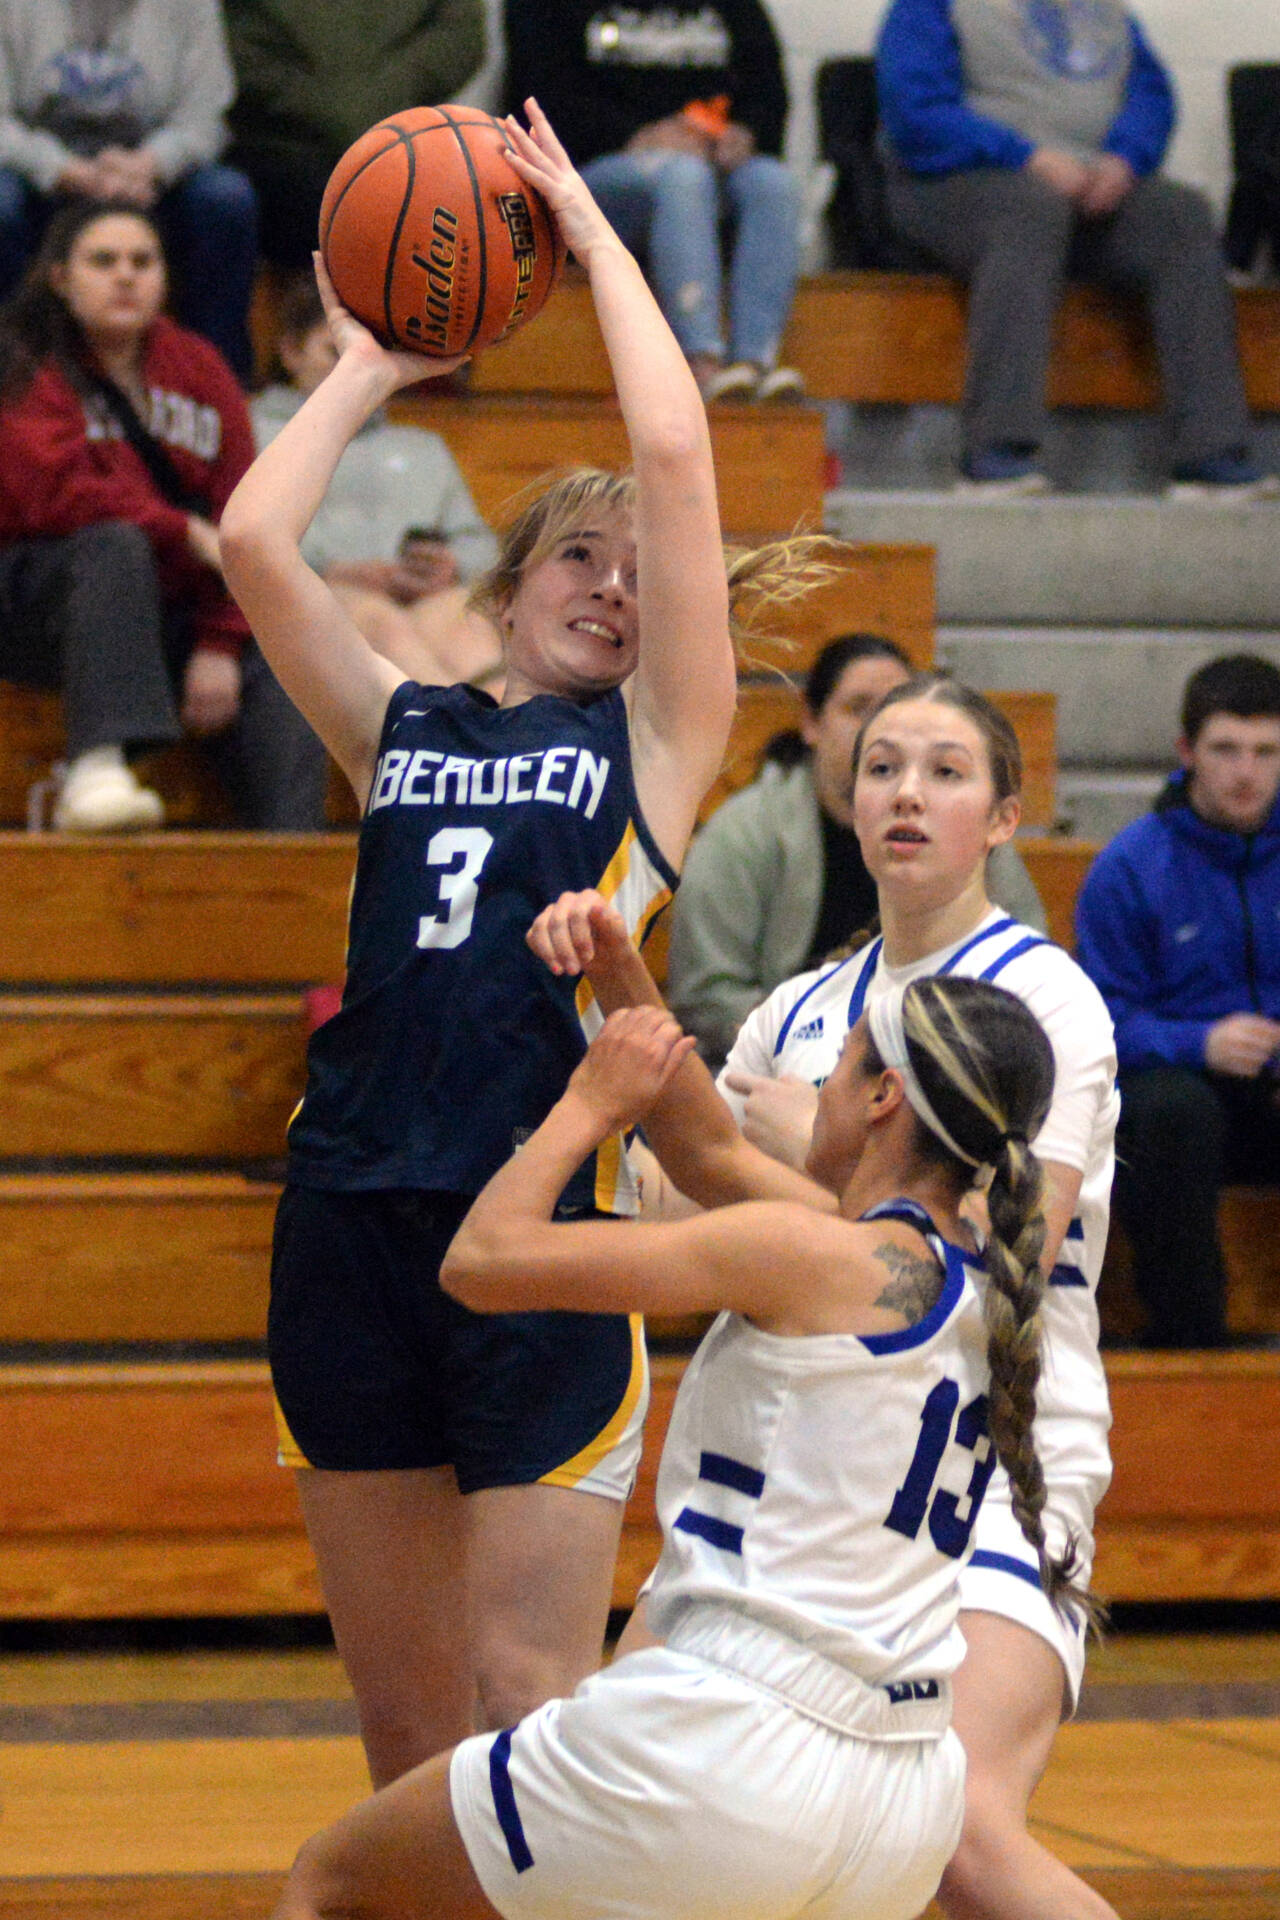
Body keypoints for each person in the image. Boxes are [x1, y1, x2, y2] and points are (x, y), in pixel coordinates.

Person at [217, 99, 834, 1791]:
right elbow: (255, 542)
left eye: (641, 576)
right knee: (405, 1734)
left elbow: (679, 460)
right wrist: (373, 361)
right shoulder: (395, 723)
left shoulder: (659, 744)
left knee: (526, 1706)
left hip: (545, 1226)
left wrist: (594, 231)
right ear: (506, 591)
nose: (616, 587)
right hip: (349, 1214)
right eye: (580, 556)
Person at [272, 960, 1083, 1920]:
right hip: (904, 1795)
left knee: (331, 1885)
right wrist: (621, 974)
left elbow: (483, 1261)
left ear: (884, 1097)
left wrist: (588, 1104)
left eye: (839, 1066)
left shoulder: (807, 1251)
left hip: (731, 1742)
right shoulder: (982, 1284)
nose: (821, 1088)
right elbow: (708, 1149)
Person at [666, 673, 1119, 1920]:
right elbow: (676, 1202)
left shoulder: (1043, 998)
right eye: (880, 768)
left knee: (957, 1830)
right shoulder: (800, 1008)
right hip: (799, 1484)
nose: (905, 793)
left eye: (943, 771)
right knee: (698, 1823)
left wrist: (778, 1166)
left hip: (984, 1457)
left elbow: (1004, 1233)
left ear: (1005, 818)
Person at [0, 198, 326, 831]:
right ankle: (97, 770)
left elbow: (244, 515)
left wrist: (220, 643)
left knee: (283, 656)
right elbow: (53, 495)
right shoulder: (22, 359)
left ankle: (297, 861)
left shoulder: (198, 366)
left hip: (161, 613)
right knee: (113, 545)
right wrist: (180, 529)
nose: (125, 275)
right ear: (60, 277)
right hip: (32, 601)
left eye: (142, 261)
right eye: (103, 261)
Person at [875, 0, 1276, 498]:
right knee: (1029, 209)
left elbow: (1150, 95)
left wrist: (1125, 159)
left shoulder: (1107, 12)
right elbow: (917, 115)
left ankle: (1210, 452)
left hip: (1086, 185)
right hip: (955, 182)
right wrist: (1028, 157)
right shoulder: (929, 7)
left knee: (1181, 214)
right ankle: (997, 452)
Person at [666, 633, 1047, 1065]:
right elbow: (707, 996)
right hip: (777, 1065)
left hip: (943, 1063)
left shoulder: (967, 830)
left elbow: (1022, 962)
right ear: (811, 721)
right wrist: (821, 1049)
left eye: (892, 706)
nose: (877, 723)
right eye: (858, 707)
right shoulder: (745, 832)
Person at [1076, 652, 1280, 1350]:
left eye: (1266, 751)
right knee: (1174, 1112)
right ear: (1187, 752)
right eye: (1226, 749)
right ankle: (1190, 1339)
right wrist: (1202, 1043)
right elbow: (1100, 1023)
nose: (1246, 771)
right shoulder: (1130, 865)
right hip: (1172, 1094)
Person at [503, 0, 805, 403]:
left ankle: (755, 363)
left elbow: (768, 91)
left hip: (708, 162)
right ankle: (700, 361)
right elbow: (537, 101)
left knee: (773, 183)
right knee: (683, 176)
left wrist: (745, 134)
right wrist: (638, 136)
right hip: (595, 172)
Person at [252, 273, 503, 692]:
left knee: (468, 623)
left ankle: (504, 730)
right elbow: (237, 540)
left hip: (421, 602)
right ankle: (469, 732)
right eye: (336, 352)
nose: (357, 370)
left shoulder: (423, 447)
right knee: (380, 625)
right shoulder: (252, 432)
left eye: (373, 355)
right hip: (315, 599)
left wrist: (451, 565)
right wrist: (333, 571)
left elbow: (481, 547)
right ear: (291, 352)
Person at [0, 0, 257, 383]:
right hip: (43, 175)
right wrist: (62, 169)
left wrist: (151, 164)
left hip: (150, 176)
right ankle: (11, 376)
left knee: (226, 198)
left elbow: (206, 117)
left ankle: (218, 381)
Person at [223, 0, 485, 275]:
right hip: (287, 145)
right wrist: (339, 109)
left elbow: (460, 36)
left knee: (469, 204)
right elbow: (241, 52)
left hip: (408, 138)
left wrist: (376, 99)